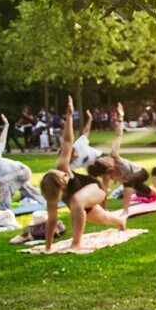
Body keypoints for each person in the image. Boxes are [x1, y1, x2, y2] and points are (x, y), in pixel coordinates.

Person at [38, 97, 127, 251]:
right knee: (103, 218)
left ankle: (76, 243)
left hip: (95, 189)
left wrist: (69, 116)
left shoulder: (62, 167)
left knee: (76, 200)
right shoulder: (52, 197)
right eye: (63, 178)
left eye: (64, 174)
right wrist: (47, 247)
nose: (66, 174)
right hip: (80, 204)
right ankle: (121, 222)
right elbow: (52, 221)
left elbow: (67, 141)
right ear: (58, 189)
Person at [86, 103, 156, 215]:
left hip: (141, 172)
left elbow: (118, 135)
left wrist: (120, 118)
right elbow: (104, 191)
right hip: (133, 179)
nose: (104, 157)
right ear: (107, 168)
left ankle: (125, 210)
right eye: (103, 160)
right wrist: (104, 210)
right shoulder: (107, 175)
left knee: (127, 182)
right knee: (144, 190)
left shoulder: (113, 155)